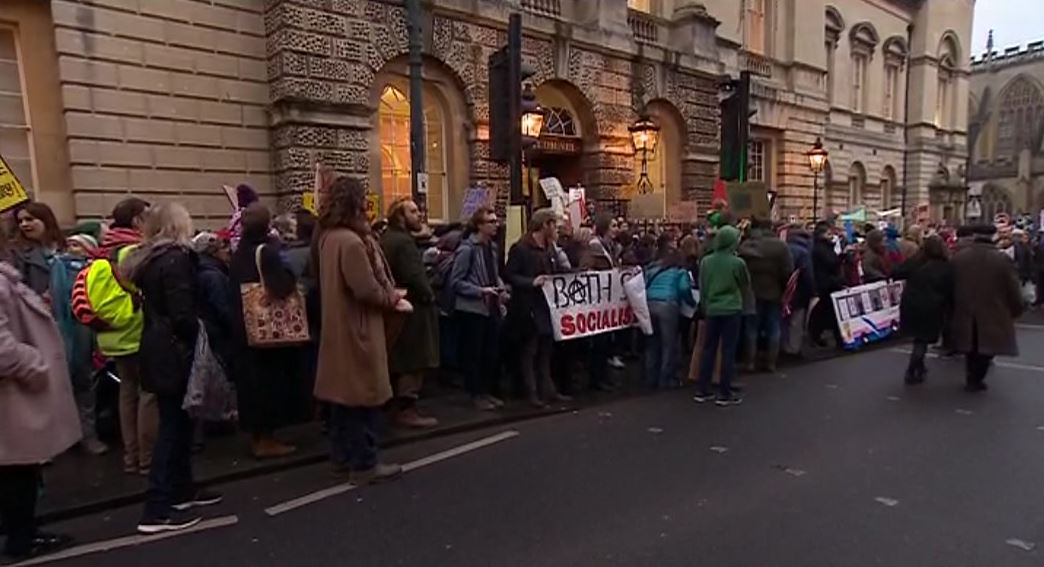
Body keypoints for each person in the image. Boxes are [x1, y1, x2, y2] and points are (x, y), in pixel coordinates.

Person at [124, 203, 220, 534]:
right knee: (173, 427)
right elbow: (182, 314)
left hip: (156, 346)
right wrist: (203, 332)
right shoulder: (176, 260)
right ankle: (157, 508)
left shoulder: (151, 260)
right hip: (174, 350)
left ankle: (181, 491)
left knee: (178, 422)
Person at [314, 177, 411, 484]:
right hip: (358, 328)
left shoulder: (327, 237)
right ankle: (364, 464)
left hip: (337, 326)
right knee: (362, 399)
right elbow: (365, 288)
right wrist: (392, 298)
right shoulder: (352, 242)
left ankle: (341, 458)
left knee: (342, 401)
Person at [0, 235, 80, 562]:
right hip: (12, 392)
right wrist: (35, 365)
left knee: (20, 470)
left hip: (14, 393)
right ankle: (21, 538)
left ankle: (25, 532)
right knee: (16, 471)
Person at [85, 197, 156, 475]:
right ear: (137, 220)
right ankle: (148, 458)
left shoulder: (102, 254)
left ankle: (131, 456)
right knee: (148, 393)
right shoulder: (133, 251)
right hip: (137, 331)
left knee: (127, 393)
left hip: (112, 335)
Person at [229, 203, 306, 459]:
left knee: (252, 386)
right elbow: (281, 286)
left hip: (244, 328)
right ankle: (267, 440)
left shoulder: (238, 253)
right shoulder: (268, 252)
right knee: (269, 384)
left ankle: (258, 437)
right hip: (267, 330)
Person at [381, 198, 440, 428]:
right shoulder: (403, 243)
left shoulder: (388, 238)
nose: (419, 215)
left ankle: (397, 407)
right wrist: (429, 295)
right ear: (400, 216)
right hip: (412, 308)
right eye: (413, 212)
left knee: (400, 358)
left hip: (398, 304)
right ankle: (407, 409)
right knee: (413, 359)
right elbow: (415, 276)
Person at [504, 208, 569, 407]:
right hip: (528, 307)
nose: (556, 229)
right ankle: (531, 392)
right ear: (544, 225)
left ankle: (548, 390)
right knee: (530, 351)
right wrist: (531, 282)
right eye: (554, 224)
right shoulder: (521, 248)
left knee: (546, 350)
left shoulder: (550, 248)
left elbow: (556, 272)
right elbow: (509, 275)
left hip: (547, 306)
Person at [949, 224, 1024, 392]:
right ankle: (976, 377)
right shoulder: (1002, 259)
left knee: (970, 345)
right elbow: (1012, 287)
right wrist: (1017, 308)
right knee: (987, 348)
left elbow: (949, 284)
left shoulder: (959, 257)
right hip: (993, 308)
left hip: (965, 307)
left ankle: (972, 376)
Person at [450, 206, 508, 411]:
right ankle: (475, 394)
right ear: (479, 225)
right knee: (474, 353)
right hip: (472, 309)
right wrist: (479, 291)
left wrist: (500, 288)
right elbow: (456, 281)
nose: (495, 225)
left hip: (491, 306)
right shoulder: (467, 249)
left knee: (490, 352)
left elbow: (494, 273)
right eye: (491, 222)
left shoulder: (491, 248)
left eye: (496, 221)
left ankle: (486, 391)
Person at [693, 225, 749, 406]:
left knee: (708, 349)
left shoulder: (706, 261)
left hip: (712, 308)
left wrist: (705, 305)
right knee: (728, 350)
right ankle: (725, 392)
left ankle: (702, 389)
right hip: (731, 308)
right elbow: (744, 283)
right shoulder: (737, 263)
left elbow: (703, 285)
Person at [893, 235, 954, 385]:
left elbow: (896, 272)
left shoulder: (915, 261)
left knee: (918, 338)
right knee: (922, 340)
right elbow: (950, 289)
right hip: (933, 305)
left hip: (911, 303)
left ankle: (919, 367)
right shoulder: (945, 266)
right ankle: (912, 369)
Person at [738, 219, 794, 372]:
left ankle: (750, 362)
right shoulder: (780, 246)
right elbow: (788, 270)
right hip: (774, 290)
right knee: (774, 327)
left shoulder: (747, 245)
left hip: (752, 291)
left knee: (751, 328)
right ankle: (771, 362)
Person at [643, 234, 697, 389]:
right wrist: (692, 303)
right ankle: (665, 379)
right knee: (669, 344)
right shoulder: (679, 270)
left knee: (652, 343)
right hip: (668, 304)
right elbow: (684, 288)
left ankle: (650, 378)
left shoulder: (650, 267)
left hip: (650, 304)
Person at [582, 214, 621, 390]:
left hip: (606, 301)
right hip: (597, 302)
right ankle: (596, 378)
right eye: (613, 226)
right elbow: (586, 269)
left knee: (605, 341)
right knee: (598, 342)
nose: (616, 229)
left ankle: (603, 376)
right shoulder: (594, 247)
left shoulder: (609, 247)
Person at [11, 202, 64, 298]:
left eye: (29, 219)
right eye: (20, 221)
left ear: (46, 220)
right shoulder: (16, 252)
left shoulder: (68, 247)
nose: (23, 224)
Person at [809, 222, 845, 347]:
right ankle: (835, 338)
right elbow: (831, 263)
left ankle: (819, 335)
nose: (832, 236)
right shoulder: (821, 248)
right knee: (830, 311)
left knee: (826, 311)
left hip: (828, 283)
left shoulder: (824, 247)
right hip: (827, 283)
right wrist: (842, 256)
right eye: (829, 234)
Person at [783, 226, 816, 355]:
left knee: (784, 319)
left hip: (784, 289)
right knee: (796, 320)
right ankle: (793, 348)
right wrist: (812, 290)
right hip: (800, 290)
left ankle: (783, 345)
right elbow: (807, 274)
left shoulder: (784, 247)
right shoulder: (803, 251)